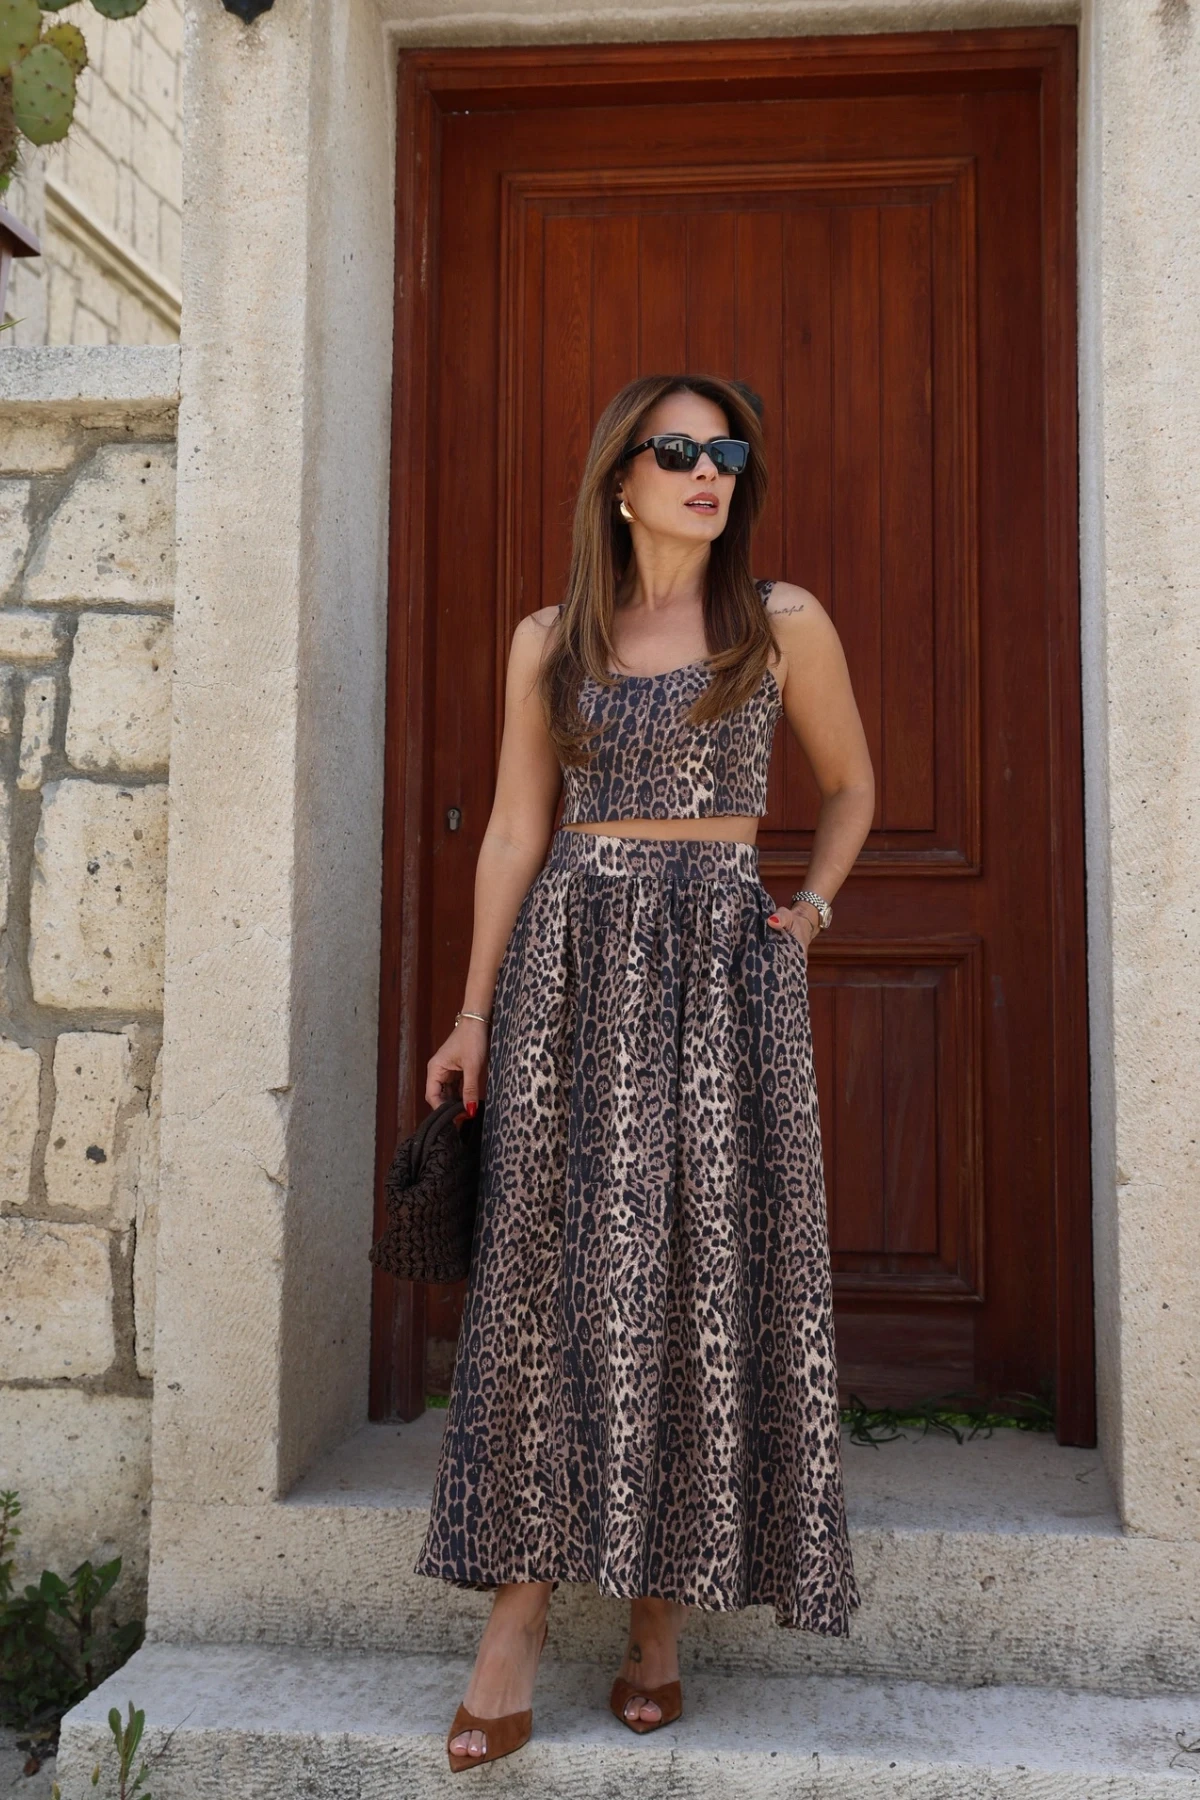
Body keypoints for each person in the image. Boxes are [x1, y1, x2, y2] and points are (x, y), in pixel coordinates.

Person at [416, 373, 876, 1772]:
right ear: (621, 478)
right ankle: (516, 1618)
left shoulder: (782, 622)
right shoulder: (547, 639)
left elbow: (851, 787)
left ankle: (659, 1617)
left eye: (725, 450)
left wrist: (811, 913)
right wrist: (473, 1013)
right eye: (677, 449)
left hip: (725, 970)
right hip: (570, 966)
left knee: (694, 1275)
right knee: (553, 1278)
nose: (707, 470)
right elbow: (513, 830)